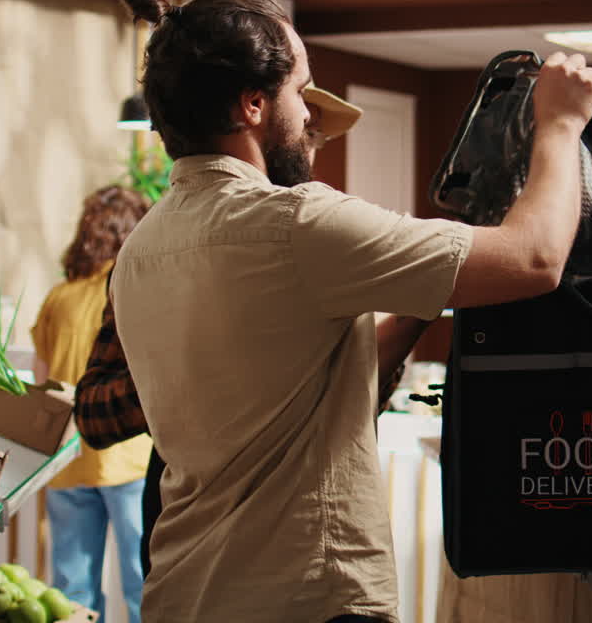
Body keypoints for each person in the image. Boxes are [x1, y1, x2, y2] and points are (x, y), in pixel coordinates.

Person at [97, 0, 592, 622]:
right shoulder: (295, 222)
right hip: (308, 597)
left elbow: (319, 388)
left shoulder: (140, 251)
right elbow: (535, 258)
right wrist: (559, 123)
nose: (311, 115)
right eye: (300, 91)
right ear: (253, 105)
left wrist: (424, 292)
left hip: (188, 592)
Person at [75, 82, 372, 581]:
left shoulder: (327, 248)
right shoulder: (167, 250)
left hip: (297, 535)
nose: (305, 143)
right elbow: (94, 413)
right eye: (301, 125)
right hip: (190, 522)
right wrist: (190, 374)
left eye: (314, 135)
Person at [30, 185, 152, 623]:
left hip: (68, 459)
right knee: (144, 585)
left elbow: (41, 385)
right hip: (129, 457)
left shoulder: (56, 299)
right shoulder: (133, 287)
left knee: (71, 590)